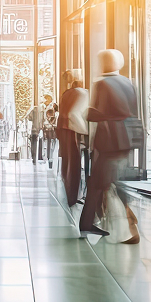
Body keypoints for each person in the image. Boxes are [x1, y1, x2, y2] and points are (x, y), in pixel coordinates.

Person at [78, 49, 140, 244]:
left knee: (99, 183)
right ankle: (91, 222)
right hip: (126, 139)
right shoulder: (128, 83)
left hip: (109, 140)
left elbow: (94, 113)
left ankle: (127, 225)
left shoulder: (101, 84)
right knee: (110, 181)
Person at [57, 71, 88, 207]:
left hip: (62, 129)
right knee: (74, 164)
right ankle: (73, 196)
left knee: (67, 161)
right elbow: (73, 113)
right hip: (72, 129)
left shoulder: (66, 93)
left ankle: (67, 193)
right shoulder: (82, 93)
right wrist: (86, 131)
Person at [43, 93, 58, 166]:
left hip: (51, 129)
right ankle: (49, 158)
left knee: (51, 144)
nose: (44, 101)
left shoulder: (50, 108)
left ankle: (50, 158)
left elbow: (50, 118)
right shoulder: (47, 107)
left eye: (46, 99)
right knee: (50, 144)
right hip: (49, 128)